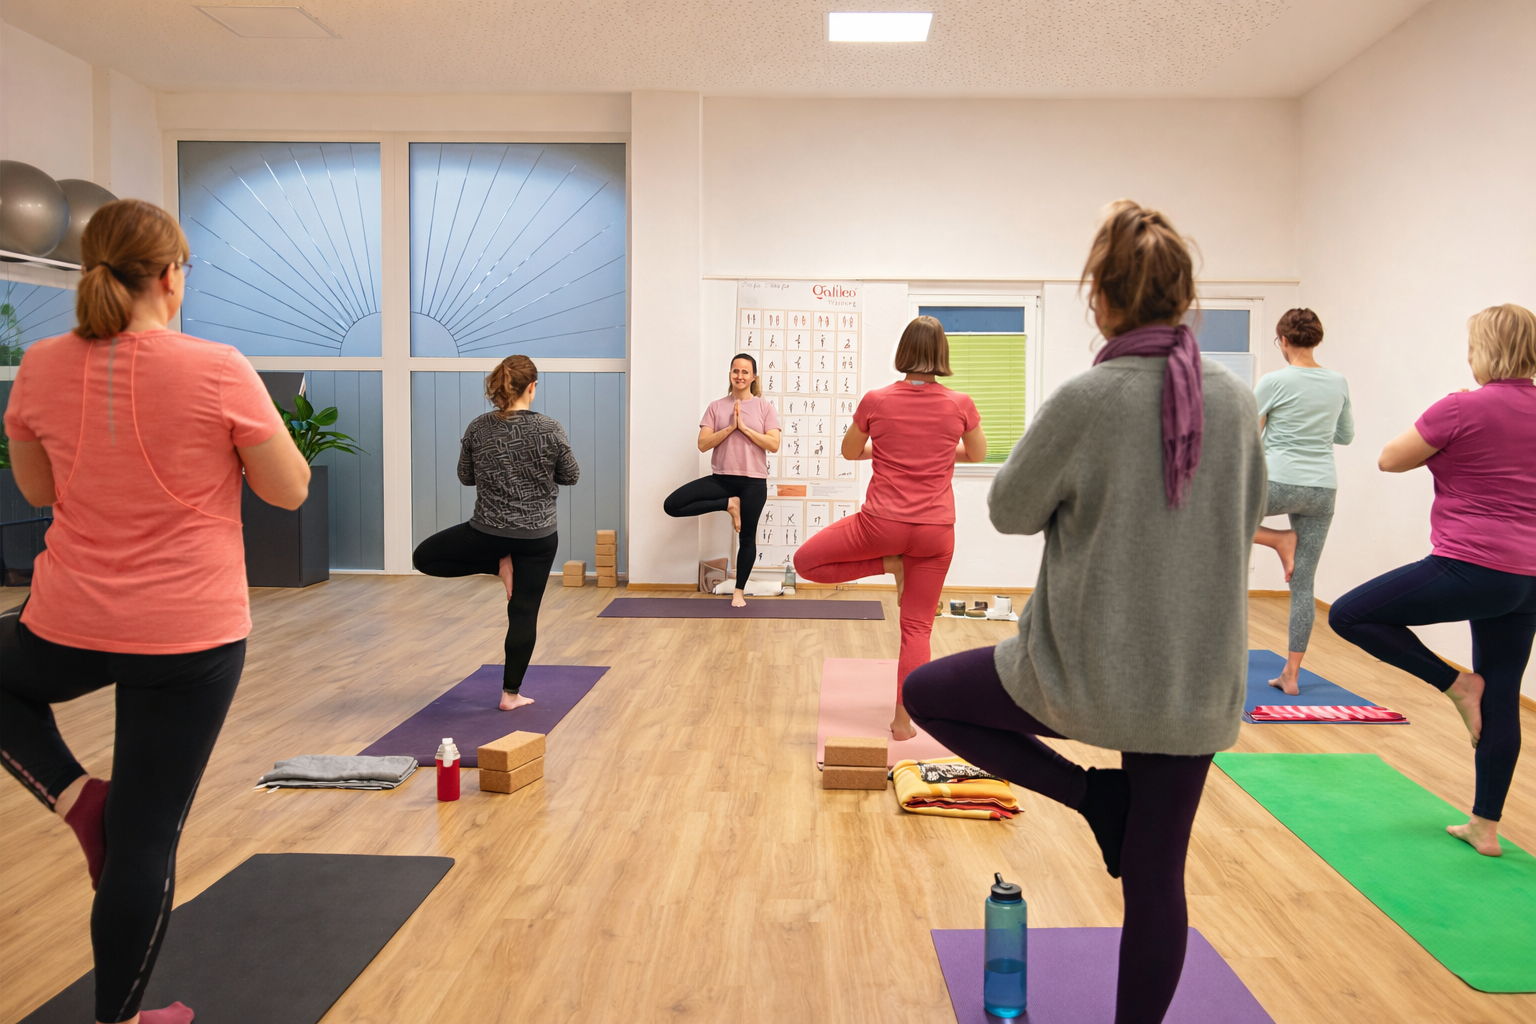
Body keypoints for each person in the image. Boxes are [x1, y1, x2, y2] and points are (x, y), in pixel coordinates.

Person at [903, 201, 1266, 1024]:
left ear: (1099, 298)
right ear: (1186, 299)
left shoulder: (1091, 395)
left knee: (927, 694)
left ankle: (1091, 797)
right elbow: (1243, 517)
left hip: (1081, 675)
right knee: (1156, 878)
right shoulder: (1236, 402)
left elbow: (1008, 510)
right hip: (1194, 686)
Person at [0, 199, 311, 1024]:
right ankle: (121, 1018)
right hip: (189, 635)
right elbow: (289, 491)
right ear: (172, 276)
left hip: (66, 621)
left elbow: (39, 492)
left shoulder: (39, 364)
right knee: (143, 840)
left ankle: (75, 797)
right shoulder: (218, 366)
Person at [1329, 304, 1536, 858]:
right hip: (1527, 579)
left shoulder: (1461, 408)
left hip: (1470, 563)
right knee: (1504, 697)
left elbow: (1389, 459)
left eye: (1472, 347)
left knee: (1348, 614)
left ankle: (1454, 685)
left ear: (1485, 351)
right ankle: (1485, 828)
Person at [793, 317, 987, 740]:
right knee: (916, 628)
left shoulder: (876, 400)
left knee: (804, 563)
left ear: (903, 352)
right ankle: (903, 723)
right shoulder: (960, 404)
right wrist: (934, 450)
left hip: (880, 526)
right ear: (942, 355)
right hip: (936, 532)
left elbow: (849, 452)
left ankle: (888, 563)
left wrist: (889, 445)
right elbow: (975, 455)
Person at [412, 355, 579, 710]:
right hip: (537, 538)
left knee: (422, 557)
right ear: (532, 387)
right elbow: (571, 476)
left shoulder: (478, 427)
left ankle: (496, 564)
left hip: (486, 532)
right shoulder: (550, 428)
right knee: (523, 613)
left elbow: (465, 476)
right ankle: (510, 695)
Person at [1249, 309, 1354, 693]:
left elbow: (1247, 431)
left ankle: (1278, 539)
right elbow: (1345, 435)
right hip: (1322, 489)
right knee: (1304, 584)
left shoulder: (1275, 380)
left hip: (1276, 481)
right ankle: (1291, 676)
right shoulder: (1337, 381)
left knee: (1214, 517)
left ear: (1284, 341)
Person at [663, 354, 781, 608]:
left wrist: (745, 429)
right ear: (730, 374)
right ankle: (728, 504)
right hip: (722, 479)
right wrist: (729, 428)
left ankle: (738, 592)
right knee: (672, 505)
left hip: (753, 483)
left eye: (745, 372)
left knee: (747, 539)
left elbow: (774, 444)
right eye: (735, 371)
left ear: (753, 377)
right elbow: (703, 444)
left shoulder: (764, 407)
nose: (740, 376)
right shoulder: (716, 407)